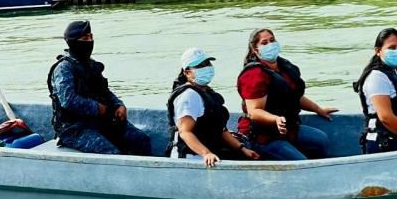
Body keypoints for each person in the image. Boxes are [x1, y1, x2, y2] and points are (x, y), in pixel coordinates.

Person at [47, 20, 151, 155]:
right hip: (73, 128)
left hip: (99, 122)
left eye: (91, 37)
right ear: (73, 41)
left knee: (140, 140)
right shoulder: (64, 68)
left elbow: (104, 91)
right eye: (85, 38)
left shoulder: (91, 65)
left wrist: (118, 104)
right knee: (111, 153)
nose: (89, 41)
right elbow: (68, 100)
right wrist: (96, 108)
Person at [236, 28, 337, 160]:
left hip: (288, 129)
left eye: (272, 41)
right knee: (301, 163)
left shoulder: (283, 67)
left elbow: (294, 97)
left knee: (321, 140)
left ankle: (322, 171)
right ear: (255, 50)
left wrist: (318, 109)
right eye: (264, 43)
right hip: (263, 137)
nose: (270, 45)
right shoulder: (254, 74)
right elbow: (254, 111)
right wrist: (276, 119)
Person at [167, 47, 259, 166]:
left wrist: (242, 149)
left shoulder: (207, 93)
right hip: (191, 157)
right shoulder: (189, 96)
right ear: (187, 72)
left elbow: (221, 129)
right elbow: (185, 132)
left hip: (211, 152)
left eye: (207, 63)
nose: (206, 67)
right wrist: (206, 153)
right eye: (200, 66)